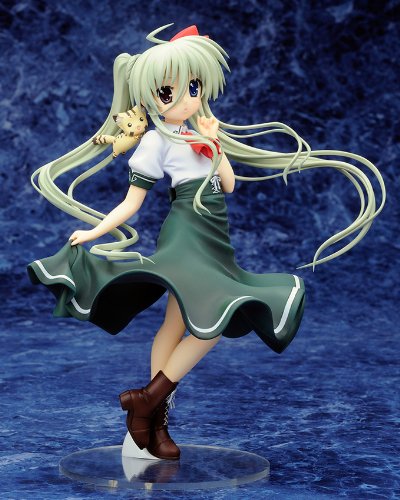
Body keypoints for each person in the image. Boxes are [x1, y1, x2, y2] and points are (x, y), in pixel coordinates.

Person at [27, 24, 385, 460]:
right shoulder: (154, 141)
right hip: (186, 235)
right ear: (150, 98)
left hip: (216, 237)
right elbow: (131, 202)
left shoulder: (203, 133)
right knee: (211, 321)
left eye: (193, 87)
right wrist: (94, 231)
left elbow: (228, 185)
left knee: (176, 325)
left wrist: (215, 143)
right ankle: (147, 400)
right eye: (169, 92)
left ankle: (151, 420)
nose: (184, 99)